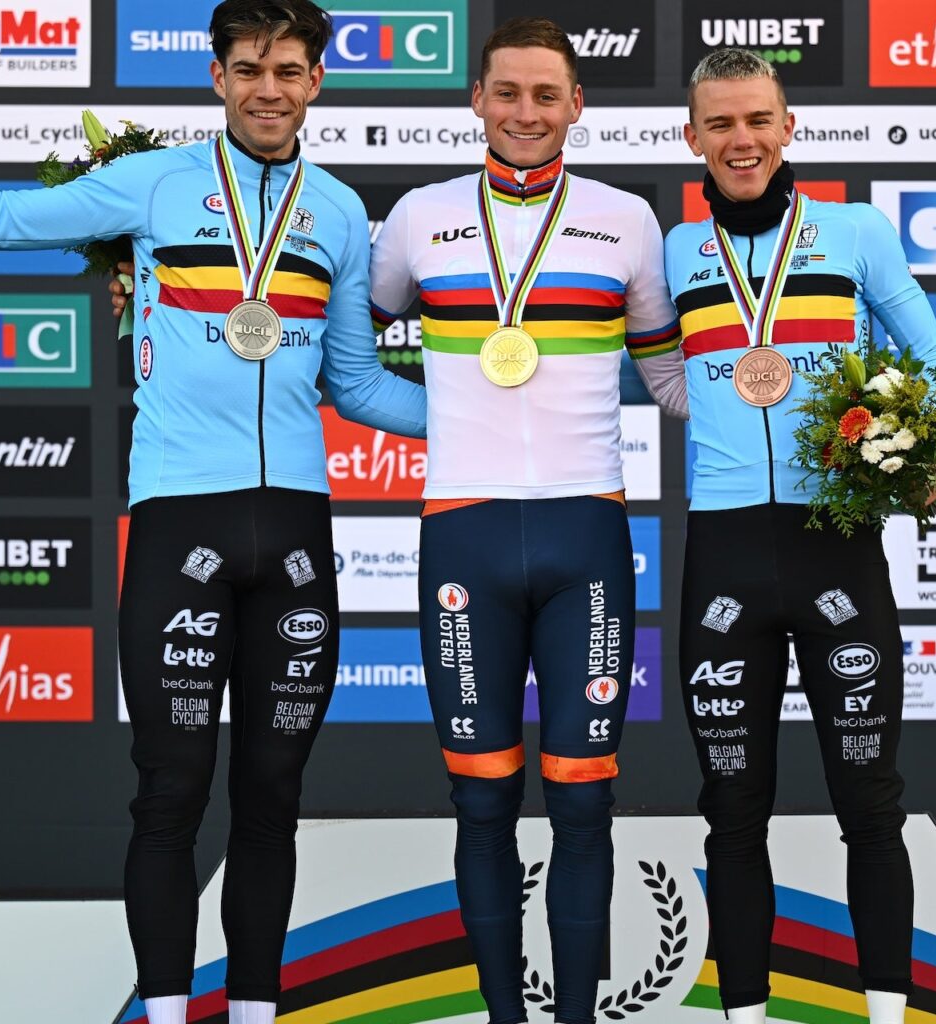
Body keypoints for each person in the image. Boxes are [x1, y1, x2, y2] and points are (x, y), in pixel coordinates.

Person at [0, 4, 426, 1023]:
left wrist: (497, 418)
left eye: (291, 69)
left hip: (298, 532)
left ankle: (258, 1011)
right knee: (170, 791)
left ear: (318, 84)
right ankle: (169, 1014)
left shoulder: (344, 213)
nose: (270, 88)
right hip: (181, 522)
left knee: (272, 797)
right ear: (218, 77)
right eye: (251, 67)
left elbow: (358, 385)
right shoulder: (154, 183)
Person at [369, 18, 687, 1024]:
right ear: (476, 100)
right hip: (461, 534)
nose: (525, 112)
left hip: (587, 538)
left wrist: (800, 412)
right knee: (481, 802)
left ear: (577, 105)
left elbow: (672, 373)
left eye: (547, 95)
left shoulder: (629, 220)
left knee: (586, 801)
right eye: (507, 93)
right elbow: (337, 346)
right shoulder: (416, 218)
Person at [660, 48, 936, 1024]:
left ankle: (885, 1014)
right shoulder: (668, 253)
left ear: (789, 128)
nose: (741, 140)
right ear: (691, 137)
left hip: (838, 545)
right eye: (721, 124)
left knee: (870, 800)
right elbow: (658, 380)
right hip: (725, 556)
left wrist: (899, 438)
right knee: (732, 809)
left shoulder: (855, 232)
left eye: (758, 120)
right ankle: (746, 1011)